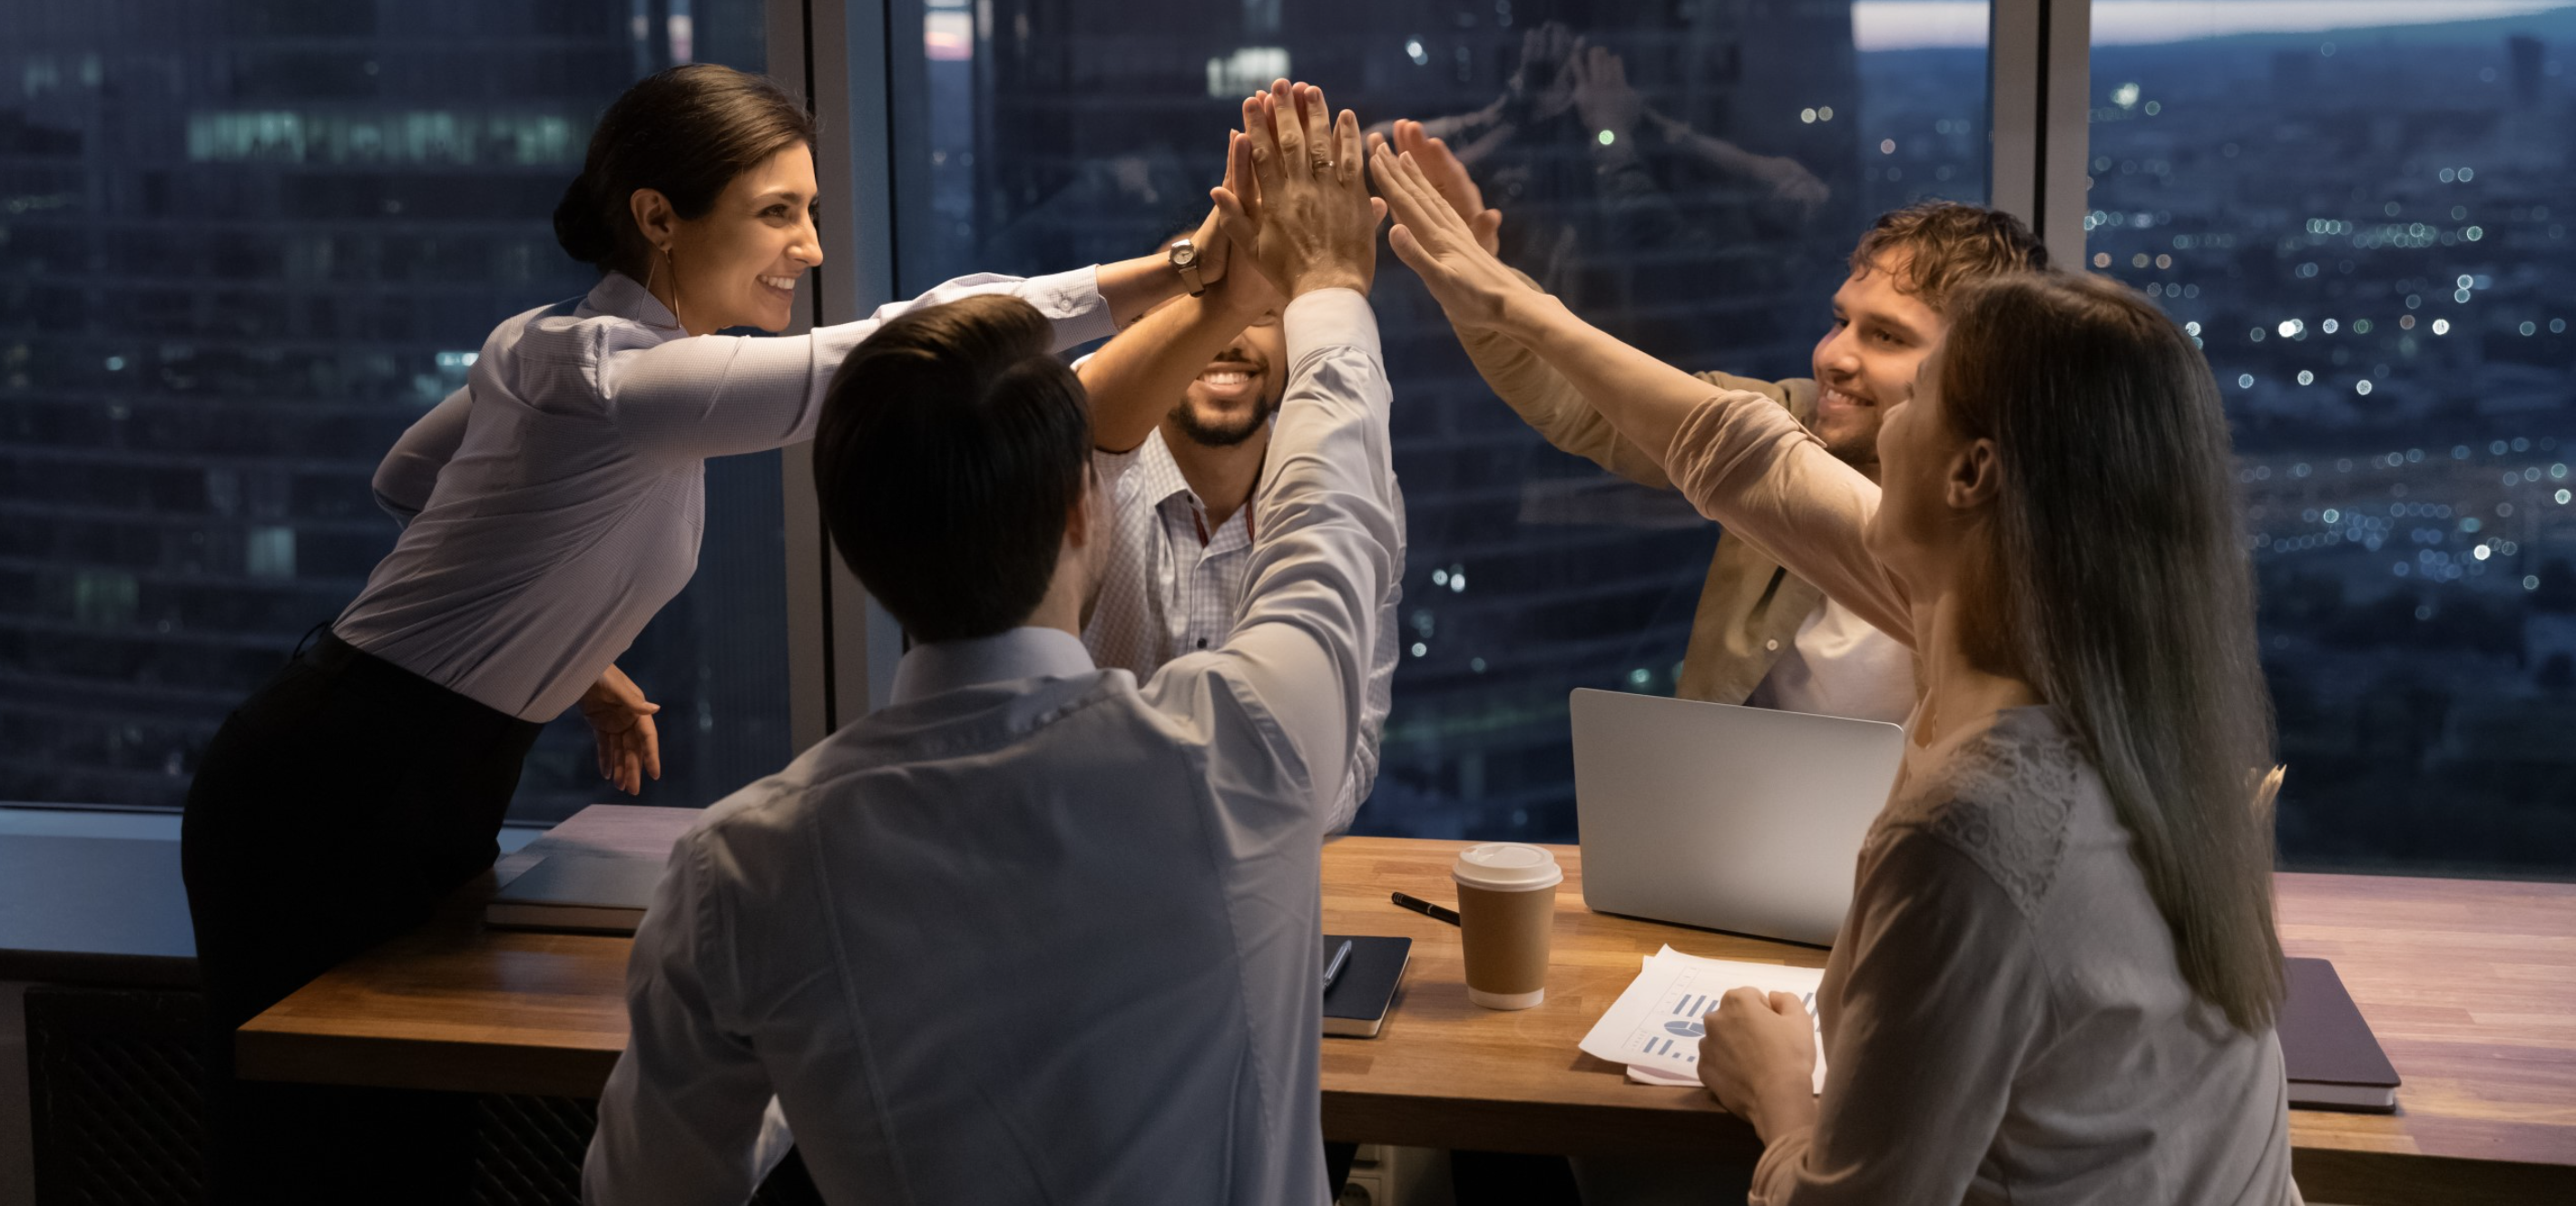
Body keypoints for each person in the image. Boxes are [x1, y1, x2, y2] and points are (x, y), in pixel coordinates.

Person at [180, 63, 1245, 1202]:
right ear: (657, 217)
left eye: (813, 212)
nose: (811, 247)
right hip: (327, 786)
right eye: (776, 213)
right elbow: (898, 350)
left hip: (410, 775)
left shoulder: (546, 349)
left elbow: (407, 479)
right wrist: (1181, 268)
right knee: (324, 1158)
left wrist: (568, 652)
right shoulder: (615, 376)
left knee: (399, 1153)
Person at [1373, 142, 2297, 1203]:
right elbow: (1738, 453)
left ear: (1971, 472)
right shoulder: (2115, 689)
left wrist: (1781, 1098)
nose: (1838, 389)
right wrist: (1503, 297)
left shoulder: (1975, 830)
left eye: (1922, 380)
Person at [583, 80, 1396, 1204]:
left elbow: (646, 1193)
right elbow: (1333, 511)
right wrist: (1330, 289)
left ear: (857, 548)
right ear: (1082, 510)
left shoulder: (739, 875)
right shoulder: (1243, 747)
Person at [1387, 120, 2046, 725]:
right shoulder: (1796, 415)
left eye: (1885, 337)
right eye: (1840, 321)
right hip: (1745, 829)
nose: (1834, 356)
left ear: (1979, 370)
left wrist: (1500, 297)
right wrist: (1474, 280)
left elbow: (1729, 444)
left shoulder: (2039, 547)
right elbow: (1584, 400)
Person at [1072, 233, 1404, 832]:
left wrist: (1232, 831)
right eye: (1202, 309)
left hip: (1260, 888)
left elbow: (1352, 750)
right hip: (1090, 862)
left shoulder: (1345, 480)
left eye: (1263, 313)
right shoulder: (1080, 479)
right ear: (1144, 342)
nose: (1231, 336)